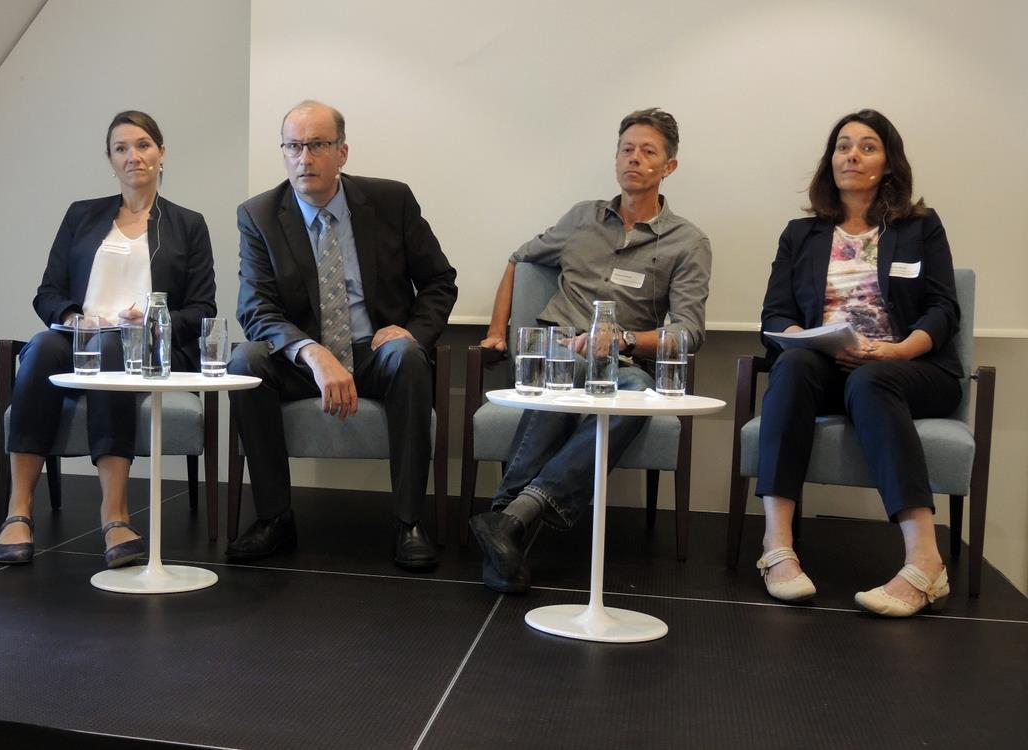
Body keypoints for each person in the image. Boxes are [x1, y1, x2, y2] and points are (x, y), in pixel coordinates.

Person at [470, 108, 711, 594]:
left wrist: (620, 339)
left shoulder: (689, 242)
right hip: (556, 350)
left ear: (669, 167)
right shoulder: (580, 218)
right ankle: (516, 523)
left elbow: (688, 332)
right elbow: (519, 259)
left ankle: (509, 517)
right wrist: (497, 330)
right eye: (627, 149)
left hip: (623, 364)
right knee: (566, 366)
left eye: (648, 152)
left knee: (639, 389)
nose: (634, 160)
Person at [227, 100, 457, 571]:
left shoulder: (391, 201)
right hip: (302, 360)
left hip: (374, 350)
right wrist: (310, 352)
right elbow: (256, 308)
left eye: (317, 145)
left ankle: (409, 523)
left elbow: (439, 281)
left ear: (342, 152)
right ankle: (274, 517)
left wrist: (410, 331)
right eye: (293, 146)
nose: (304, 159)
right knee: (245, 361)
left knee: (409, 357)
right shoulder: (260, 215)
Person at [753, 109, 960, 617]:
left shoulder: (919, 227)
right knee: (793, 367)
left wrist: (897, 349)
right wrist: (804, 338)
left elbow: (942, 307)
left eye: (867, 146)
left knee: (870, 380)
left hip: (907, 368)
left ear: (888, 163)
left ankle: (925, 562)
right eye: (842, 145)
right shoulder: (800, 234)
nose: (851, 155)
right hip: (827, 366)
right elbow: (776, 313)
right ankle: (777, 547)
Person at [0, 110, 216, 567]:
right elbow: (48, 293)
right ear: (111, 160)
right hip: (80, 335)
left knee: (117, 349)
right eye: (121, 148)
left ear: (161, 153)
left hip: (146, 344)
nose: (133, 156)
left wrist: (151, 319)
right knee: (39, 350)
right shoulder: (82, 216)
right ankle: (19, 510)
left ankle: (114, 514)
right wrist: (75, 319)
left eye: (143, 145)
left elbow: (202, 309)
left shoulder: (188, 224)